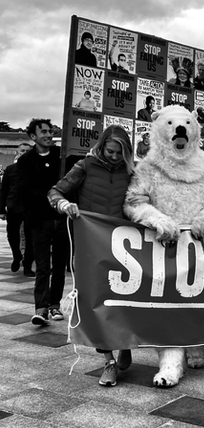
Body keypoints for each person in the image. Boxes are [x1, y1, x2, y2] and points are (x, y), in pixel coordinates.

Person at [48, 125, 135, 386]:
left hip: (124, 247)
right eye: (110, 151)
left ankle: (125, 344)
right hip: (90, 245)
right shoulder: (84, 166)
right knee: (94, 303)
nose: (114, 157)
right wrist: (64, 204)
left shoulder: (133, 171)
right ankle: (108, 361)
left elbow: (144, 201)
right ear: (101, 146)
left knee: (125, 301)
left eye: (120, 154)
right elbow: (55, 191)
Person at [16, 119, 68, 325]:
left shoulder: (61, 156)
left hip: (62, 219)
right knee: (43, 266)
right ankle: (41, 308)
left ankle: (55, 305)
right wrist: (51, 196)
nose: (48, 134)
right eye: (43, 132)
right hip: (40, 220)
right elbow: (24, 191)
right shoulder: (26, 161)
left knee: (59, 265)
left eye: (50, 131)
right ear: (33, 136)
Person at [0, 143, 35, 276]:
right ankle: (17, 256)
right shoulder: (10, 169)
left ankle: (27, 265)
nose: (25, 152)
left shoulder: (36, 169)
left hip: (31, 207)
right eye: (22, 150)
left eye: (27, 150)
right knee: (12, 235)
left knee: (30, 236)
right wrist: (1, 209)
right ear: (17, 151)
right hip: (14, 206)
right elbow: (4, 190)